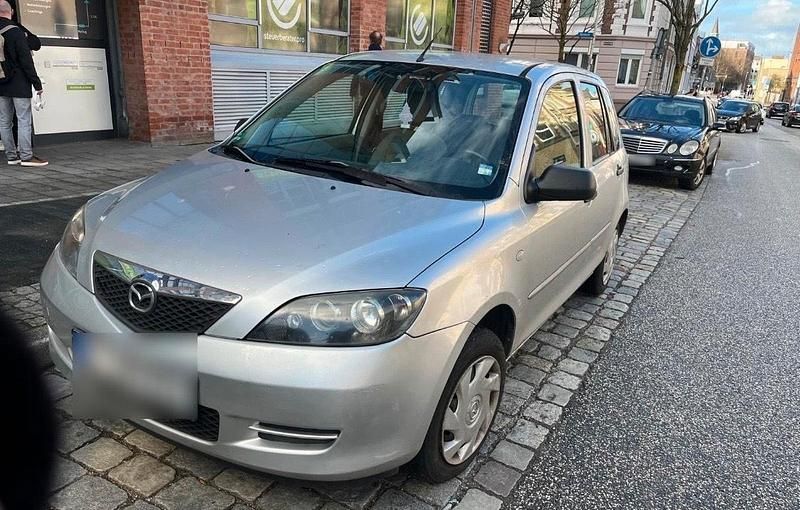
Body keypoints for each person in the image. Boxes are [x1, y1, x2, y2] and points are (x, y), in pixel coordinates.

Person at [0, 0, 46, 166]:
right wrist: (37, 84)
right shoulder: (15, 31)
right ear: (11, 11)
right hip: (18, 82)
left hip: (1, 83)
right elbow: (26, 61)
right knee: (23, 120)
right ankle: (26, 156)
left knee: (4, 122)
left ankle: (12, 156)